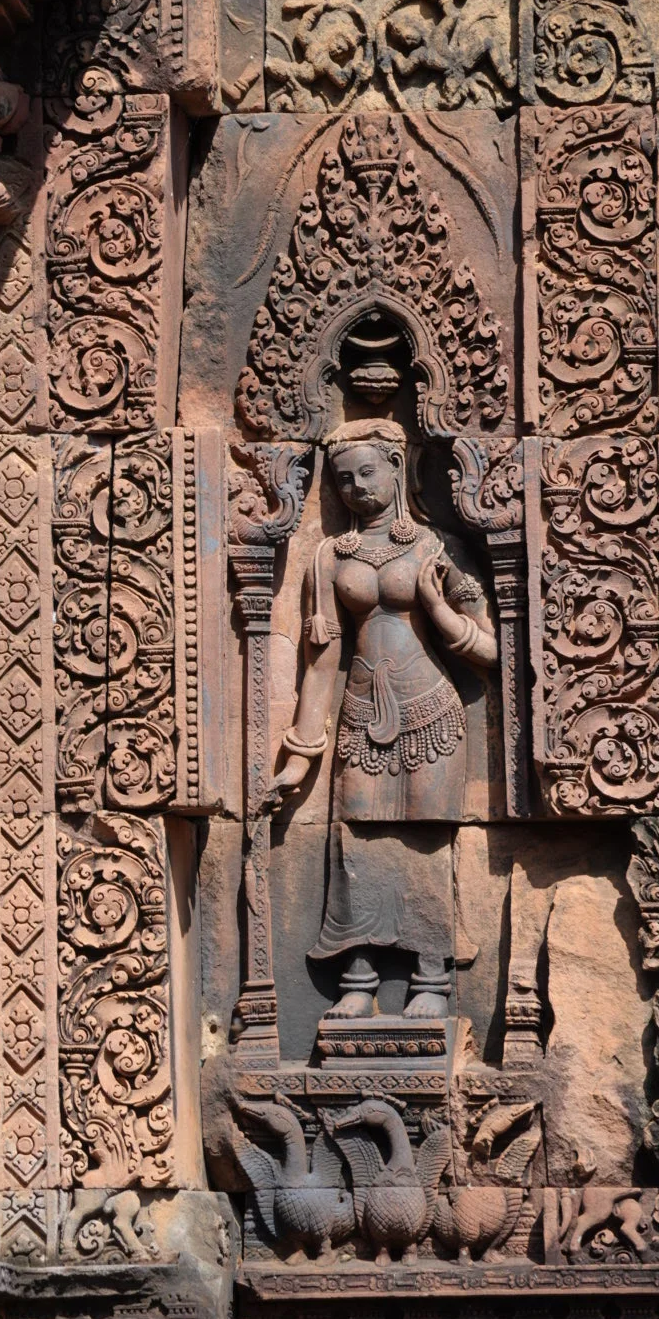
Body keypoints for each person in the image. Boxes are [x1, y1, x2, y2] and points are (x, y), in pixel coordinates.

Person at [269, 418, 497, 1021]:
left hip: (432, 713)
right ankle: (359, 976)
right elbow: (322, 662)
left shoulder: (434, 547)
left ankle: (431, 977)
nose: (356, 489)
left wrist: (436, 606)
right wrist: (300, 755)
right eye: (343, 480)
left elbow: (491, 651)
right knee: (357, 839)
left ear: (398, 468)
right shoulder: (329, 557)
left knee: (426, 839)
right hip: (361, 715)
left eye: (367, 473)